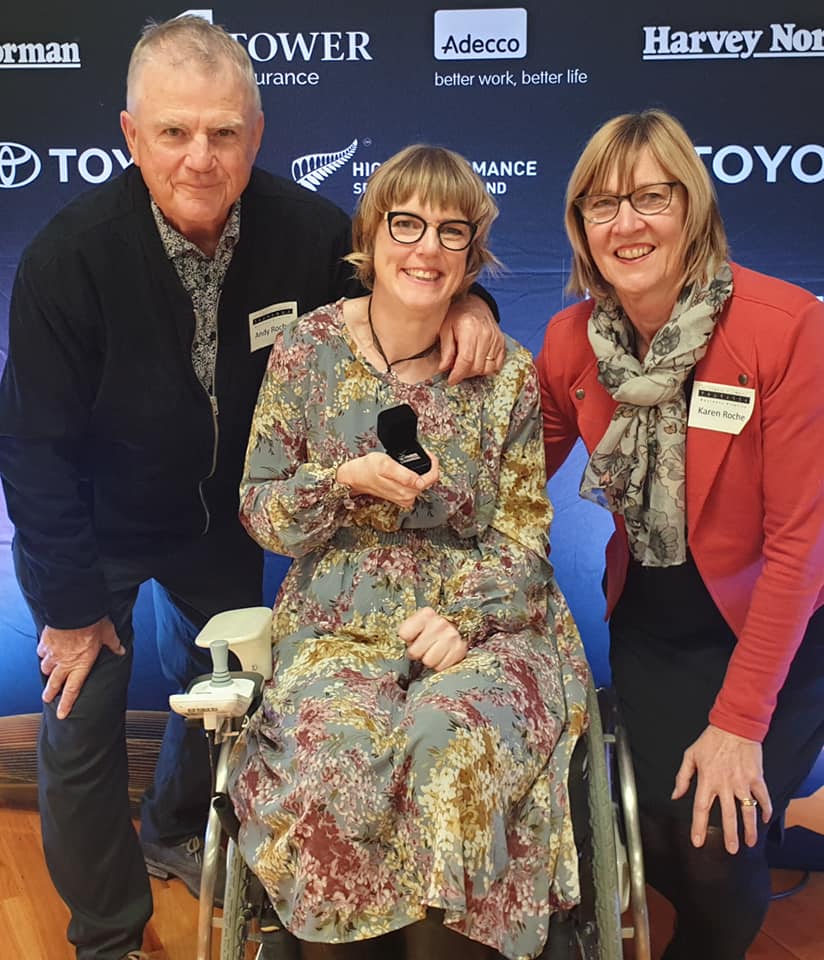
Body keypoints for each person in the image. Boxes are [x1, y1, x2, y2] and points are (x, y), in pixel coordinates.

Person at [0, 17, 504, 960]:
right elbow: (32, 448)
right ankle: (106, 935)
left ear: (257, 135)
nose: (201, 156)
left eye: (224, 132)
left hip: (228, 523)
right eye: (176, 131)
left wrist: (474, 304)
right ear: (130, 134)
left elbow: (412, 277)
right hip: (95, 529)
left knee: (228, 692)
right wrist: (68, 608)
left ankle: (177, 827)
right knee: (77, 724)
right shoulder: (67, 261)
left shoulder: (307, 230)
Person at [227, 144, 588, 960]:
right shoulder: (307, 351)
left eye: (451, 232)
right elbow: (260, 509)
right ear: (371, 234)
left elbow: (527, 537)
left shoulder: (504, 375)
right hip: (336, 622)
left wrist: (464, 619)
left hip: (486, 624)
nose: (427, 248)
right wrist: (339, 483)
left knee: (449, 745)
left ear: (473, 252)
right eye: (407, 223)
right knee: (334, 757)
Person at [536, 108, 824, 960]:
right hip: (657, 622)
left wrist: (739, 721)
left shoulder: (783, 327)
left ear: (692, 206)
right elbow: (509, 483)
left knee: (712, 834)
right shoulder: (568, 344)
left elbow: (800, 546)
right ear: (581, 227)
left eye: (650, 197)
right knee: (658, 831)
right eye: (602, 204)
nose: (626, 224)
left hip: (780, 623)